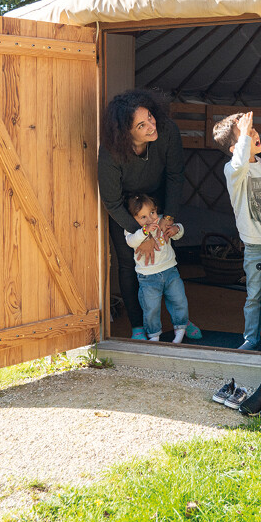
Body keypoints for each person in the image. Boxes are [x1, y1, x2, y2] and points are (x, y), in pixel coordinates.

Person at [98, 89, 200, 341]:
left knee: (168, 260)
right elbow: (111, 201)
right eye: (141, 125)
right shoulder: (111, 151)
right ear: (126, 132)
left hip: (159, 202)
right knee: (129, 264)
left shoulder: (167, 131)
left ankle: (181, 320)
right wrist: (139, 235)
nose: (151, 126)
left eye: (151, 117)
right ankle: (138, 325)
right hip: (126, 211)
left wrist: (168, 216)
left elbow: (175, 175)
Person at [212, 110, 261, 350]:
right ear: (236, 148)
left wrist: (245, 133)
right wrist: (244, 133)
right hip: (256, 245)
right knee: (254, 295)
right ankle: (250, 340)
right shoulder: (233, 170)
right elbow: (239, 163)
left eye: (253, 131)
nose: (253, 134)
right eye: (246, 134)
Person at [124, 192, 189, 342]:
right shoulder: (134, 230)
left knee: (179, 299)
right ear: (133, 219)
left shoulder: (161, 221)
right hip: (148, 277)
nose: (151, 219)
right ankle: (154, 335)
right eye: (143, 217)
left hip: (170, 271)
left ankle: (180, 328)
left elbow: (178, 231)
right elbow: (131, 241)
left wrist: (176, 230)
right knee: (151, 307)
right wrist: (145, 232)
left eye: (152, 212)